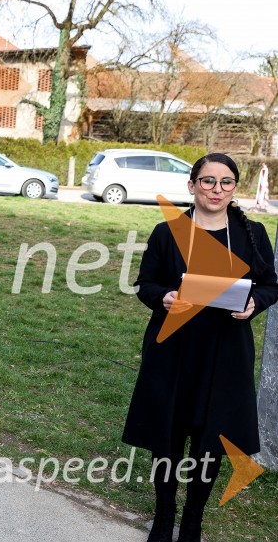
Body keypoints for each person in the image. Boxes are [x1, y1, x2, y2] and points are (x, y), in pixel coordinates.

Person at [123, 153, 278, 542]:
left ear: (234, 189)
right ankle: (163, 518)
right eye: (208, 181)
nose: (216, 189)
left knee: (211, 442)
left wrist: (254, 303)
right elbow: (146, 284)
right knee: (168, 438)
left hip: (225, 353)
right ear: (191, 186)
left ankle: (192, 521)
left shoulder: (254, 234)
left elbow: (270, 285)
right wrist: (165, 298)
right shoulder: (166, 232)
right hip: (173, 350)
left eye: (226, 182)